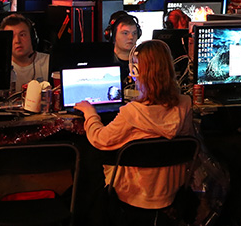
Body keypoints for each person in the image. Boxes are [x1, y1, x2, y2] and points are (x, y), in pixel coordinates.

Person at [75, 39, 195, 209]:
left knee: (89, 157)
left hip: (133, 193)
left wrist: (90, 113)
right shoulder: (186, 104)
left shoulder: (132, 112)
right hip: (171, 191)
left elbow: (100, 139)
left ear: (139, 71)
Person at [2, 13, 49, 91]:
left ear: (32, 37)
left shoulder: (49, 62)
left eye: (22, 35)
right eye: (12, 36)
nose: (17, 41)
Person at [110, 11, 142, 88]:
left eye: (134, 33)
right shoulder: (103, 61)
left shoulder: (144, 61)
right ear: (113, 35)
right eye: (125, 33)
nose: (131, 37)